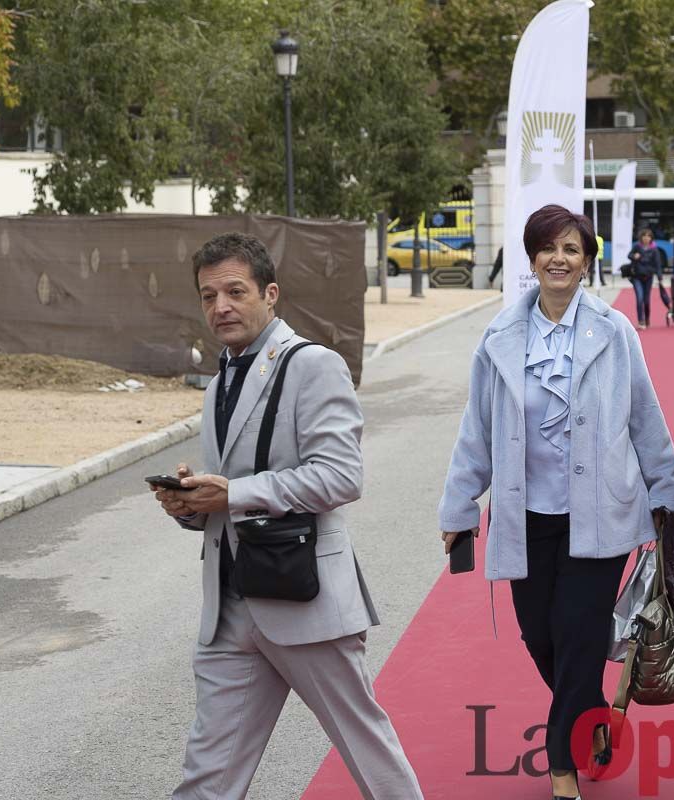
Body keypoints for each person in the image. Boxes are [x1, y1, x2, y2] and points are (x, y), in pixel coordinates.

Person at [150, 233, 423, 800]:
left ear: (270, 294)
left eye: (234, 291)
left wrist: (234, 493)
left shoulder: (313, 365)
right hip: (229, 606)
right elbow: (234, 490)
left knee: (367, 751)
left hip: (303, 596)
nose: (220, 306)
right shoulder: (221, 377)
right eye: (208, 295)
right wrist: (192, 505)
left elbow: (342, 476)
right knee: (208, 775)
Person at [438, 204, 674, 800]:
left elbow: (644, 417)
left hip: (600, 515)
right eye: (549, 248)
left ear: (586, 261)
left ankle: (563, 767)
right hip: (526, 518)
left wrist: (665, 498)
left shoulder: (614, 332)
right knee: (539, 636)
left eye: (572, 249)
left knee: (577, 634)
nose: (560, 259)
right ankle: (589, 711)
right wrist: (460, 508)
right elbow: (478, 429)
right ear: (532, 258)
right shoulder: (499, 338)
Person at [627, 227, 661, 329]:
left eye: (648, 236)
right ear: (641, 237)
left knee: (646, 300)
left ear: (651, 238)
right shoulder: (637, 246)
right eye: (644, 236)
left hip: (648, 277)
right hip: (637, 276)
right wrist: (634, 256)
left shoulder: (654, 249)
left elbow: (658, 263)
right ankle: (641, 321)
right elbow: (629, 255)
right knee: (639, 298)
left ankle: (647, 318)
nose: (646, 238)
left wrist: (660, 276)